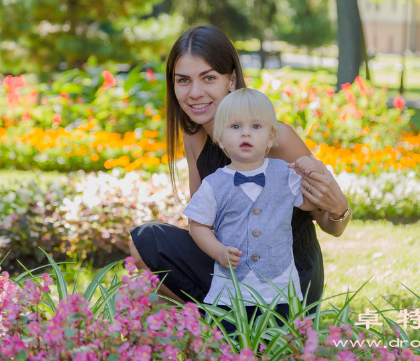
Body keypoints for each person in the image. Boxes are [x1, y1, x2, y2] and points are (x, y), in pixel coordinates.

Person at [129, 25, 351, 312]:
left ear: (231, 79)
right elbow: (203, 222)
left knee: (151, 290)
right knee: (143, 263)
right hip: (230, 263)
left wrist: (339, 209)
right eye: (183, 80)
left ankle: (238, 331)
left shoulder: (276, 138)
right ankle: (214, 333)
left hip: (285, 275)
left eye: (208, 78)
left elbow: (331, 224)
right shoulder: (193, 134)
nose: (195, 93)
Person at [182, 88, 318, 329]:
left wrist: (310, 170)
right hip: (230, 291)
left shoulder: (285, 174)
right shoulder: (214, 183)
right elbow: (197, 225)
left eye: (256, 127)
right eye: (235, 127)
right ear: (220, 138)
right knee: (230, 345)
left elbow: (309, 202)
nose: (246, 132)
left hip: (280, 289)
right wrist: (218, 251)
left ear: (271, 137)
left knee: (280, 347)